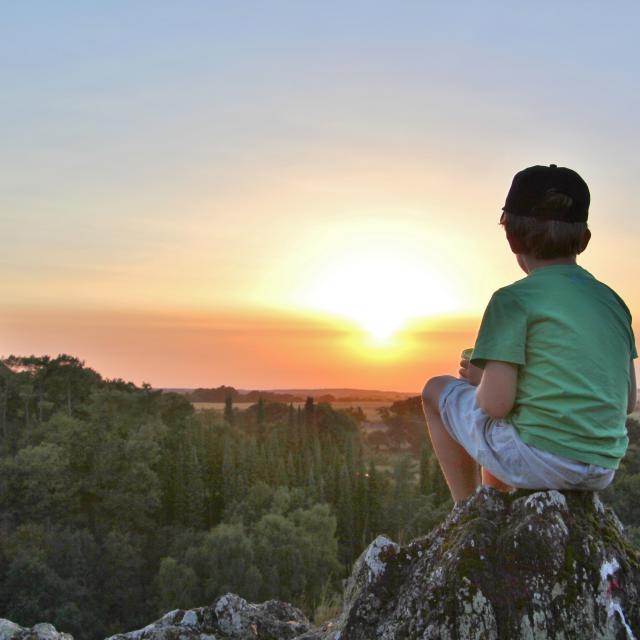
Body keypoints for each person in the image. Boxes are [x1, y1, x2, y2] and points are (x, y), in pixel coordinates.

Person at [421, 164, 638, 502]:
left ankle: (467, 510)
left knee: (435, 389)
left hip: (541, 460)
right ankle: (496, 499)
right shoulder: (613, 302)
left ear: (511, 238)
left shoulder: (512, 301)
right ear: (584, 239)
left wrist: (482, 376)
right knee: (509, 428)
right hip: (600, 466)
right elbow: (628, 401)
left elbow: (495, 404)